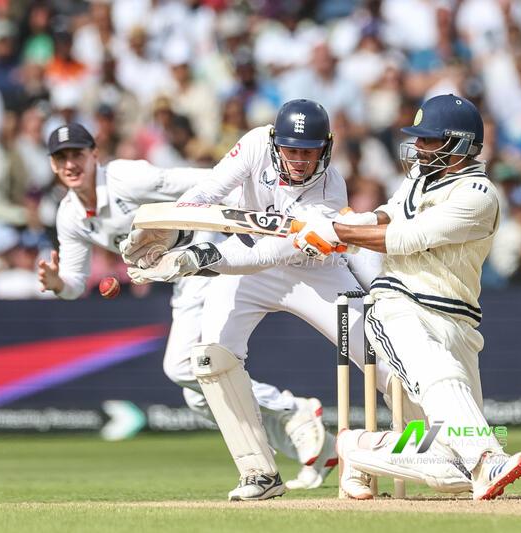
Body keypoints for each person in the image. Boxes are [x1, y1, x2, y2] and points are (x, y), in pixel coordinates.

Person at [120, 100, 471, 501]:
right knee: (211, 358)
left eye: (309, 151)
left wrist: (200, 259)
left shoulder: (329, 190)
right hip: (245, 266)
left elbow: (272, 253)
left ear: (326, 147)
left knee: (386, 359)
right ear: (275, 143)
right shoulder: (254, 145)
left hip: (311, 269)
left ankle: (436, 453)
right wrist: (169, 230)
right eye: (292, 150)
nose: (301, 161)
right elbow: (208, 193)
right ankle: (258, 472)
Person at [36, 122, 336, 492]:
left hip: (210, 256)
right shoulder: (68, 214)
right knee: (199, 396)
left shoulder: (125, 177)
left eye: (76, 154)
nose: (70, 164)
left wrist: (236, 227)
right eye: (61, 158)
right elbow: (75, 283)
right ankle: (315, 450)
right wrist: (58, 284)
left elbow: (205, 182)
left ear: (93, 154)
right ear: (52, 165)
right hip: (179, 278)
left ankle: (293, 410)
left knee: (182, 366)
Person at [291, 94, 521, 500]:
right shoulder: (420, 179)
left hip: (458, 318)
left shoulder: (480, 195)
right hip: (400, 305)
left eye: (428, 140)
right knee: (441, 376)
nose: (418, 148)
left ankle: (360, 449)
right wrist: (343, 224)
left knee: (452, 467)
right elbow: (388, 215)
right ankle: (488, 458)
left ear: (457, 144)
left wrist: (337, 232)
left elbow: (407, 237)